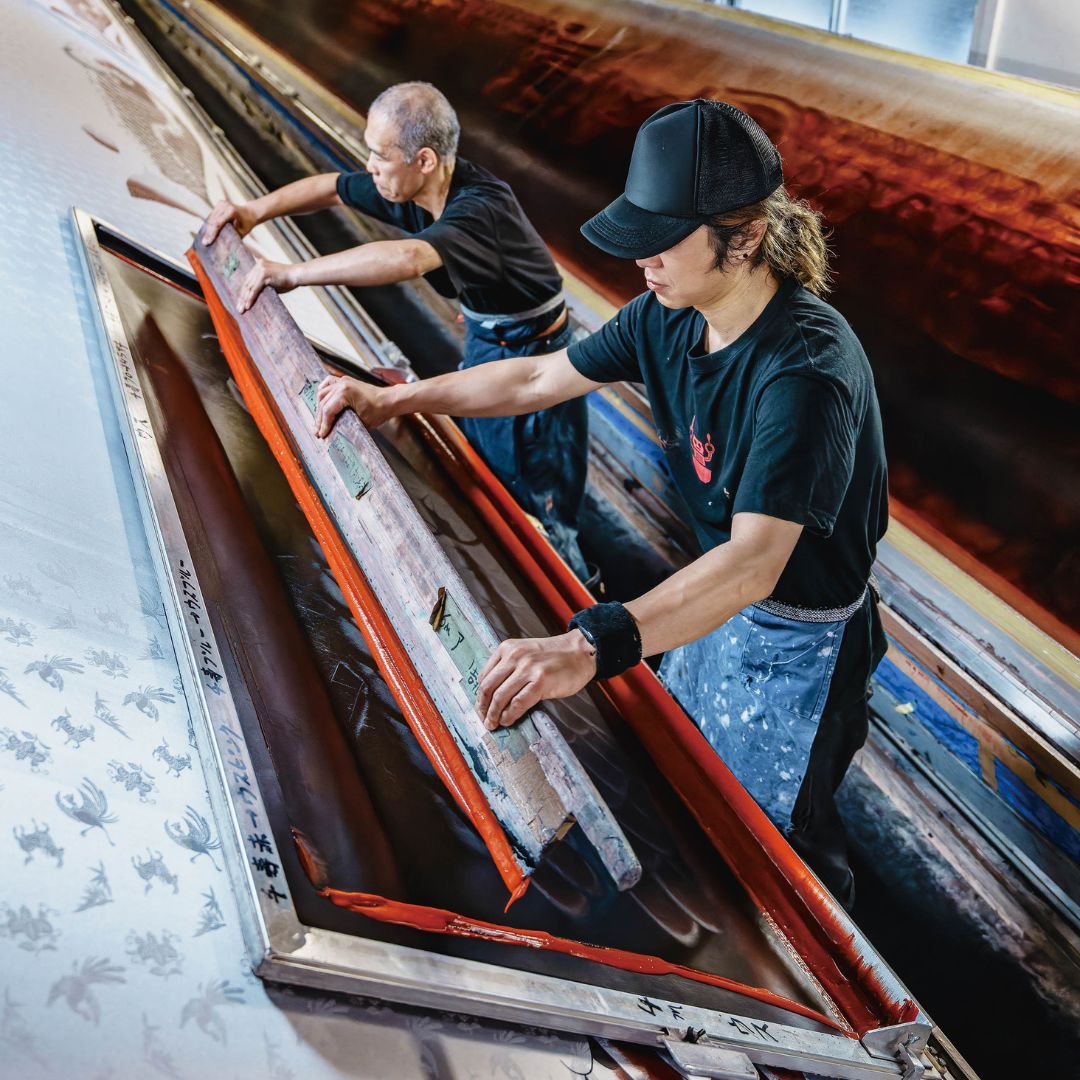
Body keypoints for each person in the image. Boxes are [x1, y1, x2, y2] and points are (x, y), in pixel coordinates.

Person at [313, 99, 888, 911]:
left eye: (664, 241)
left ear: (746, 236)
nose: (643, 264)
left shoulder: (805, 370)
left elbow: (756, 564)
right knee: (702, 789)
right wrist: (398, 402)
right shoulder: (667, 317)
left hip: (801, 646)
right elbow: (536, 377)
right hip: (715, 602)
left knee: (784, 851)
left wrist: (589, 648)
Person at [203, 81, 588, 577]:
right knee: (485, 461)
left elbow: (406, 258)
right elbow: (332, 187)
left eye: (380, 155)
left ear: (424, 160)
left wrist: (294, 272)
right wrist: (254, 210)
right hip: (489, 332)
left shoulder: (479, 209)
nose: (370, 167)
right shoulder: (412, 185)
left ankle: (568, 585)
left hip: (533, 352)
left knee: (536, 495)